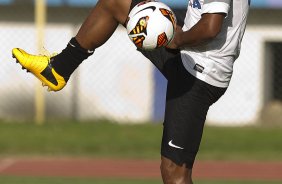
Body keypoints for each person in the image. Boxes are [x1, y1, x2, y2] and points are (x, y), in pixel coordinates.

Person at [12, 0, 250, 183]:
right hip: (189, 57)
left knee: (174, 172)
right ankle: (58, 69)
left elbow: (210, 28)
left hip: (199, 75)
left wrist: (177, 40)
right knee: (115, 2)